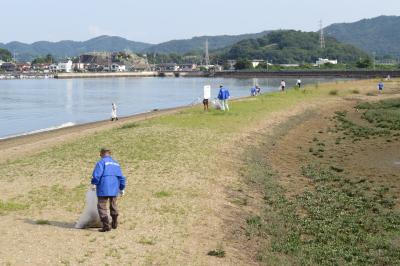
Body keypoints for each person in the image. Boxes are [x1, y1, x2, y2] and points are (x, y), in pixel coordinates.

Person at [91, 148, 126, 232]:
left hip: (103, 187)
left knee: (101, 206)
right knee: (113, 205)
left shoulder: (101, 162)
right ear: (109, 154)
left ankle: (106, 226)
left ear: (102, 154)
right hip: (114, 188)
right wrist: (122, 188)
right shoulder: (116, 164)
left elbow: (97, 175)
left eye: (100, 154)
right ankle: (114, 223)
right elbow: (121, 177)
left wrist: (94, 183)